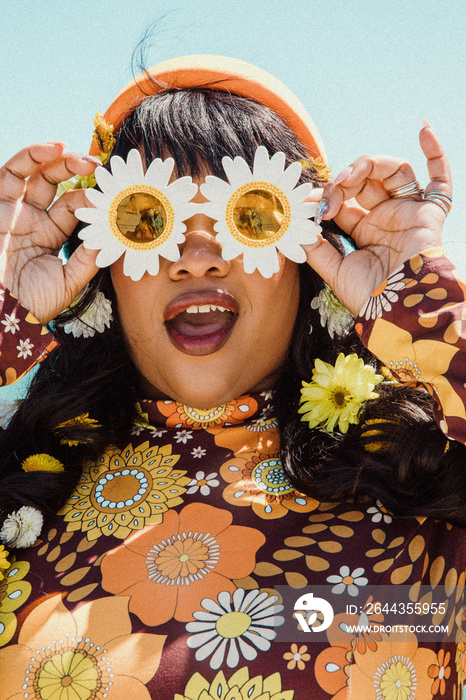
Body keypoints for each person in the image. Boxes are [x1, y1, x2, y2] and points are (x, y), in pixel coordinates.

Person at [0, 55, 464, 699]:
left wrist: (423, 303)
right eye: (145, 221)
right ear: (99, 264)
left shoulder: (425, 484)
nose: (196, 259)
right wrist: (7, 311)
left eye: (249, 218)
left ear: (310, 257)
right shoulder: (19, 493)